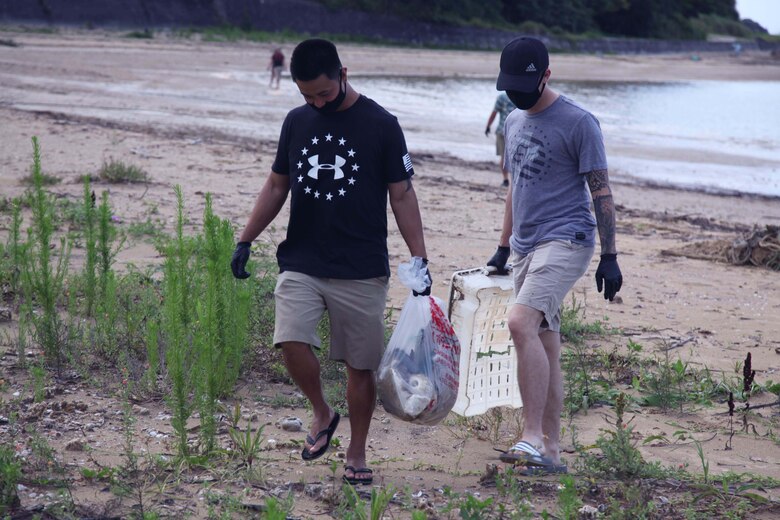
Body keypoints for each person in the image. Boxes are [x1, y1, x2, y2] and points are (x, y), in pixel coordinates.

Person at [231, 38, 430, 486]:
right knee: (291, 339)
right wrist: (245, 239)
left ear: (344, 73)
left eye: (322, 93)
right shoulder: (297, 122)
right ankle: (322, 411)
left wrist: (420, 259)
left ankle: (357, 452)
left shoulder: (381, 124)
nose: (316, 103)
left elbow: (402, 195)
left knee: (360, 366)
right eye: (307, 96)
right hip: (302, 258)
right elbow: (277, 186)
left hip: (361, 267)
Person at [485, 37, 623, 475]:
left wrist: (610, 254)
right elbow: (515, 186)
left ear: (547, 74)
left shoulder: (580, 123)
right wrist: (504, 246)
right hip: (526, 246)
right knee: (546, 343)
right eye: (510, 88)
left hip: (568, 239)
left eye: (524, 87)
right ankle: (551, 452)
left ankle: (529, 437)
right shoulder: (513, 121)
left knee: (519, 322)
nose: (517, 96)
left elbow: (601, 190)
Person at [484, 91, 516, 187]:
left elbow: (494, 113)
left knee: (503, 157)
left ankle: (505, 179)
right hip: (517, 131)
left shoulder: (501, 97)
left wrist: (488, 126)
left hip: (502, 130)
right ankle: (513, 180)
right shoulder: (521, 96)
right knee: (516, 157)